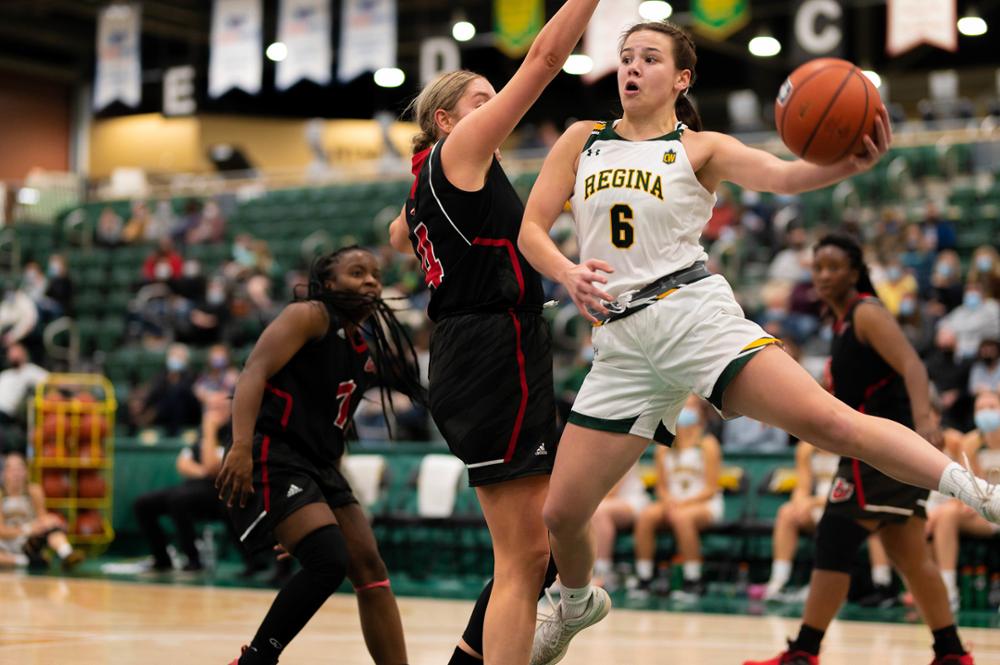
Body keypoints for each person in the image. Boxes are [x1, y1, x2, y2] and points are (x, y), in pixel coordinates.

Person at [516, 20, 997, 665]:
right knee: (562, 513)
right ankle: (575, 602)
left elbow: (784, 177)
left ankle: (978, 493)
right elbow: (531, 229)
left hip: (690, 317)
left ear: (681, 78)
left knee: (835, 425)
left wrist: (842, 164)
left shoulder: (702, 147)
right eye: (626, 57)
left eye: (649, 58)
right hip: (621, 340)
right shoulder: (582, 140)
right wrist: (566, 271)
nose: (631, 67)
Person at [387, 1, 602, 663]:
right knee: (523, 555)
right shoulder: (459, 154)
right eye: (482, 99)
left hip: (474, 350)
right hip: (491, 351)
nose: (497, 106)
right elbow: (541, 61)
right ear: (446, 120)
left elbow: (399, 235)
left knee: (531, 545)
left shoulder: (436, 174)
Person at [743, 234, 972, 664]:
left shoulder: (866, 312)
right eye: (818, 267)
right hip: (873, 448)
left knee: (835, 536)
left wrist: (926, 422)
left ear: (855, 271)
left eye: (834, 267)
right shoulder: (841, 322)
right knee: (907, 549)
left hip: (886, 446)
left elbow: (912, 364)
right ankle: (951, 651)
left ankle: (804, 652)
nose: (824, 275)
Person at [216, 246, 425, 665]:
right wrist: (240, 447)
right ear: (328, 284)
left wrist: (306, 509)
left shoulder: (362, 349)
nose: (370, 281)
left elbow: (334, 423)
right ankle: (256, 659)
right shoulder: (309, 315)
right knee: (328, 559)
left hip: (321, 465)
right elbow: (253, 371)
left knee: (370, 569)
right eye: (356, 272)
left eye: (375, 275)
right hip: (273, 449)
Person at [747, 441, 892, 605]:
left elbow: (852, 489)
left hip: (847, 504)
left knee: (848, 520)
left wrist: (814, 502)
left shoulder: (849, 444)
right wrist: (799, 503)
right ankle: (778, 581)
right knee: (786, 513)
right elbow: (802, 487)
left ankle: (880, 585)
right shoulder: (805, 449)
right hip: (818, 506)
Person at [631, 395, 721, 600]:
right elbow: (661, 487)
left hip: (704, 503)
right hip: (672, 502)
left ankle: (693, 580)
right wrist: (668, 501)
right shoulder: (664, 446)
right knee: (646, 516)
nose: (685, 411)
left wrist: (681, 504)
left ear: (700, 413)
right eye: (682, 406)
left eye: (690, 407)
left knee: (683, 518)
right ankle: (644, 578)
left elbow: (711, 488)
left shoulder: (708, 444)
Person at [929, 390, 1000, 613]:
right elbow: (968, 484)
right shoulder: (969, 442)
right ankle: (947, 592)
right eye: (981, 409)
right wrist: (968, 504)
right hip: (984, 508)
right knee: (945, 514)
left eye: (991, 407)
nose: (986, 413)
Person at [0, 451, 84, 570]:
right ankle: (25, 561)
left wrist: (50, 520)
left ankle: (67, 554)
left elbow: (42, 517)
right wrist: (27, 529)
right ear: (5, 473)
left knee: (51, 527)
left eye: (19, 469)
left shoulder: (33, 491)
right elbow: (1, 531)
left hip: (27, 542)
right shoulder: (1, 495)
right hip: (7, 543)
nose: (16, 474)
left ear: (26, 472)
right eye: (12, 469)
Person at [591, 461, 649, 589]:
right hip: (602, 501)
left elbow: (612, 490)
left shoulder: (623, 444)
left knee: (599, 511)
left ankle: (602, 572)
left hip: (631, 500)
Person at [0, 344, 48, 425]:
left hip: (5, 413)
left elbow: (52, 380)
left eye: (15, 352)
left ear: (24, 354)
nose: (12, 355)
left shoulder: (29, 370)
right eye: (10, 352)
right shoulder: (5, 374)